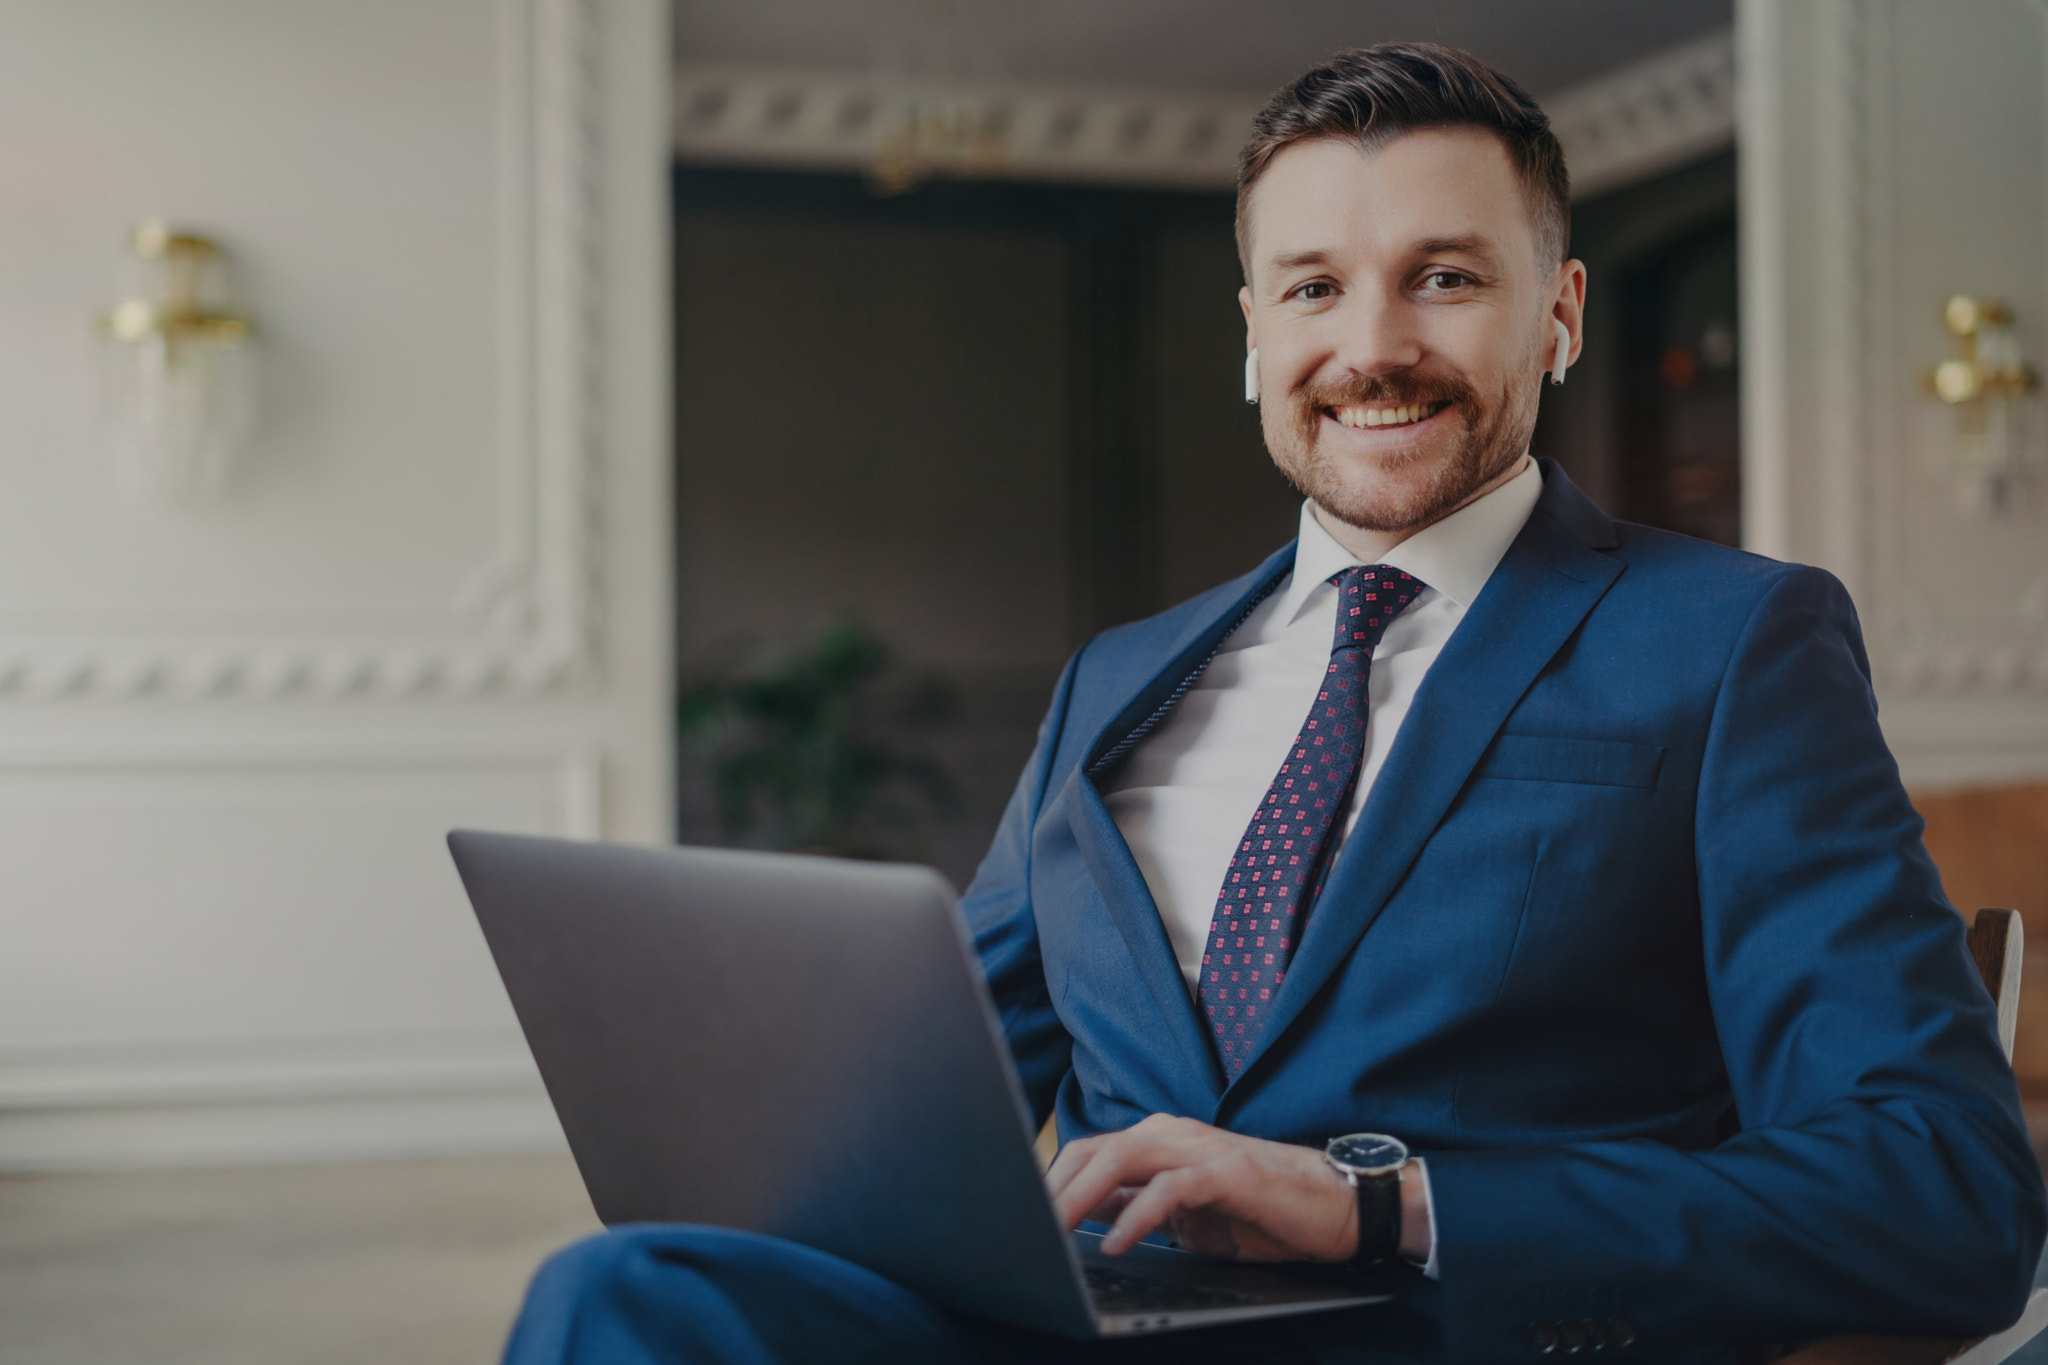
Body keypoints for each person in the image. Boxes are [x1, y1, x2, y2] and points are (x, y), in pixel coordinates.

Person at [504, 43, 2045, 1364]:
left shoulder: (1732, 641)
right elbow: (926, 1111)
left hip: (1440, 1326)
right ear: (1253, 334)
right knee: (624, 1290)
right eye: (1314, 286)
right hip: (1094, 1320)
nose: (1371, 347)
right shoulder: (1115, 680)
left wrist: (1380, 1201)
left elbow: (1943, 1187)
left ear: (1559, 315)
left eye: (1445, 278)